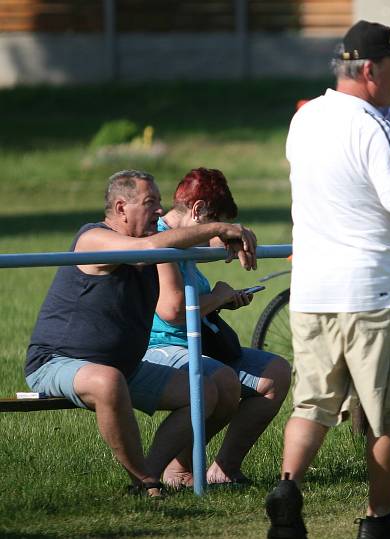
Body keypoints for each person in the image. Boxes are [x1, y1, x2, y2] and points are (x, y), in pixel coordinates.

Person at [266, 20, 390, 539]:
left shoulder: (306, 118)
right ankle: (379, 520)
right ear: (369, 69)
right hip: (374, 292)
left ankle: (287, 489)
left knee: (312, 404)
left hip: (312, 292)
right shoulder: (373, 126)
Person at [24, 169, 258, 497]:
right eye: (151, 203)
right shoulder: (93, 238)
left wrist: (234, 239)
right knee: (107, 381)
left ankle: (150, 475)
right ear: (121, 208)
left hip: (125, 367)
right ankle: (146, 481)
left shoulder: (144, 248)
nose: (160, 211)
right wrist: (220, 227)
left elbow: (166, 248)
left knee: (203, 392)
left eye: (160, 203)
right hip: (58, 362)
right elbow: (150, 247)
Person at [145, 167, 291, 488]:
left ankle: (223, 470)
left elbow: (195, 300)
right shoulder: (155, 239)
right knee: (222, 382)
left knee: (277, 372)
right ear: (197, 211)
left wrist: (225, 295)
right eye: (216, 226)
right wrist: (217, 296)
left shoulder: (186, 243)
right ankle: (178, 469)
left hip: (200, 346)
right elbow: (173, 313)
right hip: (162, 348)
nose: (220, 236)